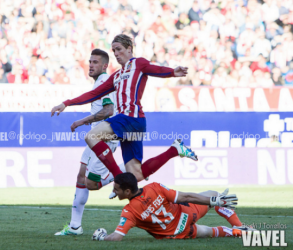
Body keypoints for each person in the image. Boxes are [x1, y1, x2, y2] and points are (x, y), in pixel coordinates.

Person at [51, 34, 197, 189]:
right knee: (137, 174)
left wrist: (173, 72)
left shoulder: (138, 63)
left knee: (92, 136)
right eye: (113, 50)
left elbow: (156, 69)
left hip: (129, 117)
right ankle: (175, 150)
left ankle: (118, 178)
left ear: (129, 49)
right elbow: (93, 94)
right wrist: (66, 103)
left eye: (119, 49)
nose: (116, 53)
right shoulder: (117, 76)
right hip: (134, 124)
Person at [55, 49, 124, 236]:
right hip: (95, 138)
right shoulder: (99, 83)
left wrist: (82, 121)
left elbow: (108, 110)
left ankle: (123, 172)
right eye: (90, 61)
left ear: (104, 66)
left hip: (104, 139)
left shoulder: (104, 82)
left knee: (91, 184)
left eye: (95, 62)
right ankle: (75, 227)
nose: (91, 65)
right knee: (80, 177)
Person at [92, 173, 251, 241]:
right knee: (214, 194)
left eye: (116, 189)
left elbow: (117, 237)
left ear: (127, 191)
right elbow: (186, 197)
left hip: (178, 233)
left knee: (209, 232)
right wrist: (214, 200)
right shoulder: (154, 187)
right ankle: (240, 227)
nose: (113, 191)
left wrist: (102, 238)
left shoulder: (129, 211)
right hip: (188, 215)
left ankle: (237, 231)